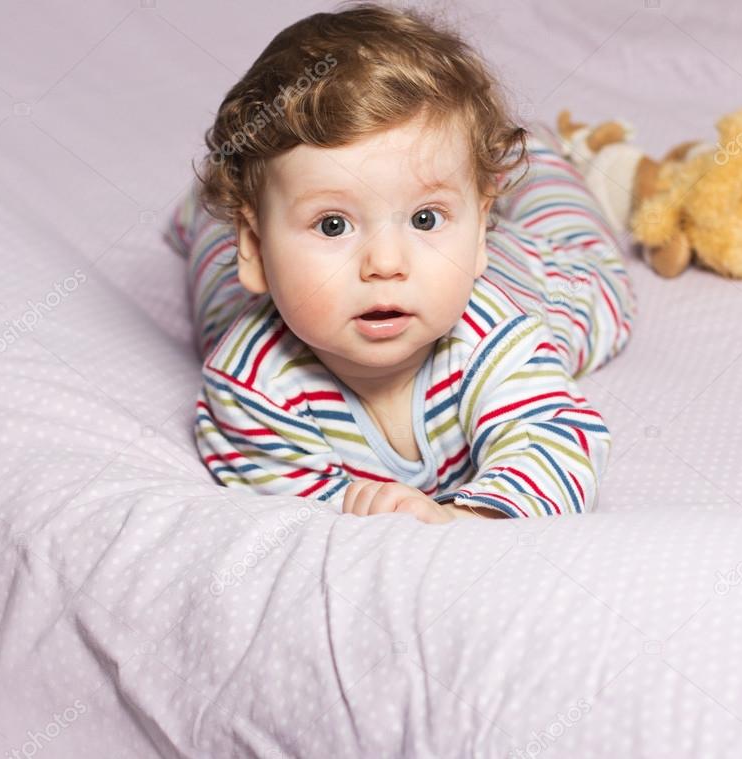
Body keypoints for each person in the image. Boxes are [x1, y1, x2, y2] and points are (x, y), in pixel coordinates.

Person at [164, 1, 636, 524]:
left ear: (480, 231)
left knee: (598, 275)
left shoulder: (495, 340)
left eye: (426, 218)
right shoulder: (252, 387)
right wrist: (354, 508)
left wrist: (469, 520)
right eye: (333, 225)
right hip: (258, 272)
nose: (386, 264)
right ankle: (208, 209)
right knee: (219, 285)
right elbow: (280, 506)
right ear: (252, 246)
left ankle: (542, 152)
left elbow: (557, 443)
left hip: (529, 278)